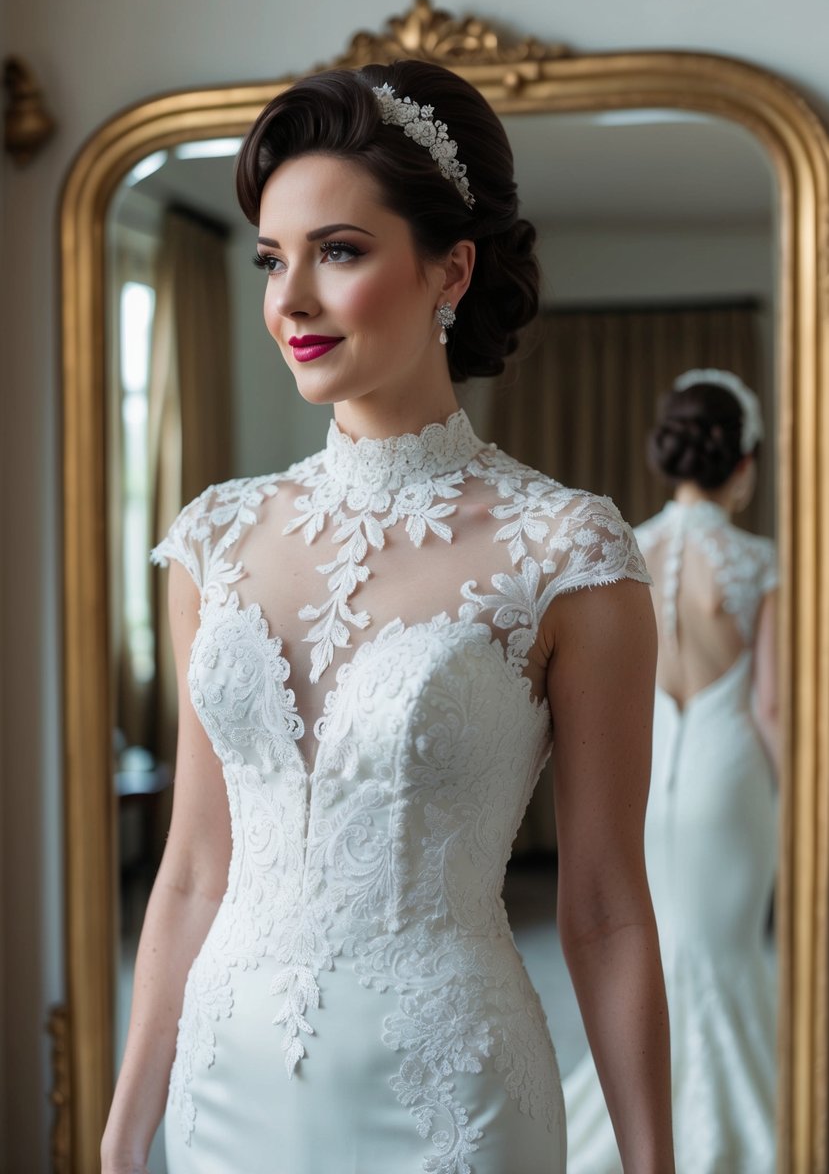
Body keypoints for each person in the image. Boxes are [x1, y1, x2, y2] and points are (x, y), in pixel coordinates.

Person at [101, 59, 675, 1174]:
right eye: (273, 259)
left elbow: (603, 906)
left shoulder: (567, 551)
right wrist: (126, 1133)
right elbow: (192, 868)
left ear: (450, 269)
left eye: (340, 251)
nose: (290, 300)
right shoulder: (214, 540)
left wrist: (651, 1161)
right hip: (227, 1094)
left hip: (447, 1096)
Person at [563, 370, 779, 1174]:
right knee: (724, 948)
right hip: (730, 777)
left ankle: (644, 1125)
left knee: (664, 940)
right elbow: (774, 711)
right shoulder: (761, 562)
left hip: (650, 773)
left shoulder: (628, 551)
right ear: (743, 463)